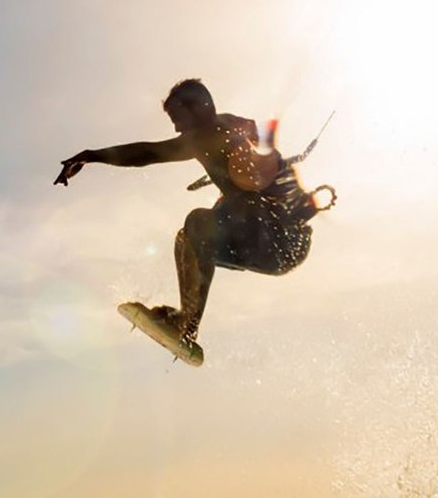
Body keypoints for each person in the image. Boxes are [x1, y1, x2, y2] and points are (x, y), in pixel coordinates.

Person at [54, 79, 326, 345]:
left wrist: (91, 155)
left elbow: (147, 153)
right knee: (188, 239)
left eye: (177, 116)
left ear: (200, 107)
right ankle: (185, 319)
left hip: (283, 241)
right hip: (273, 244)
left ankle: (188, 324)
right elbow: (255, 130)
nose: (175, 126)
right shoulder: (229, 124)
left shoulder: (204, 137)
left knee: (199, 222)